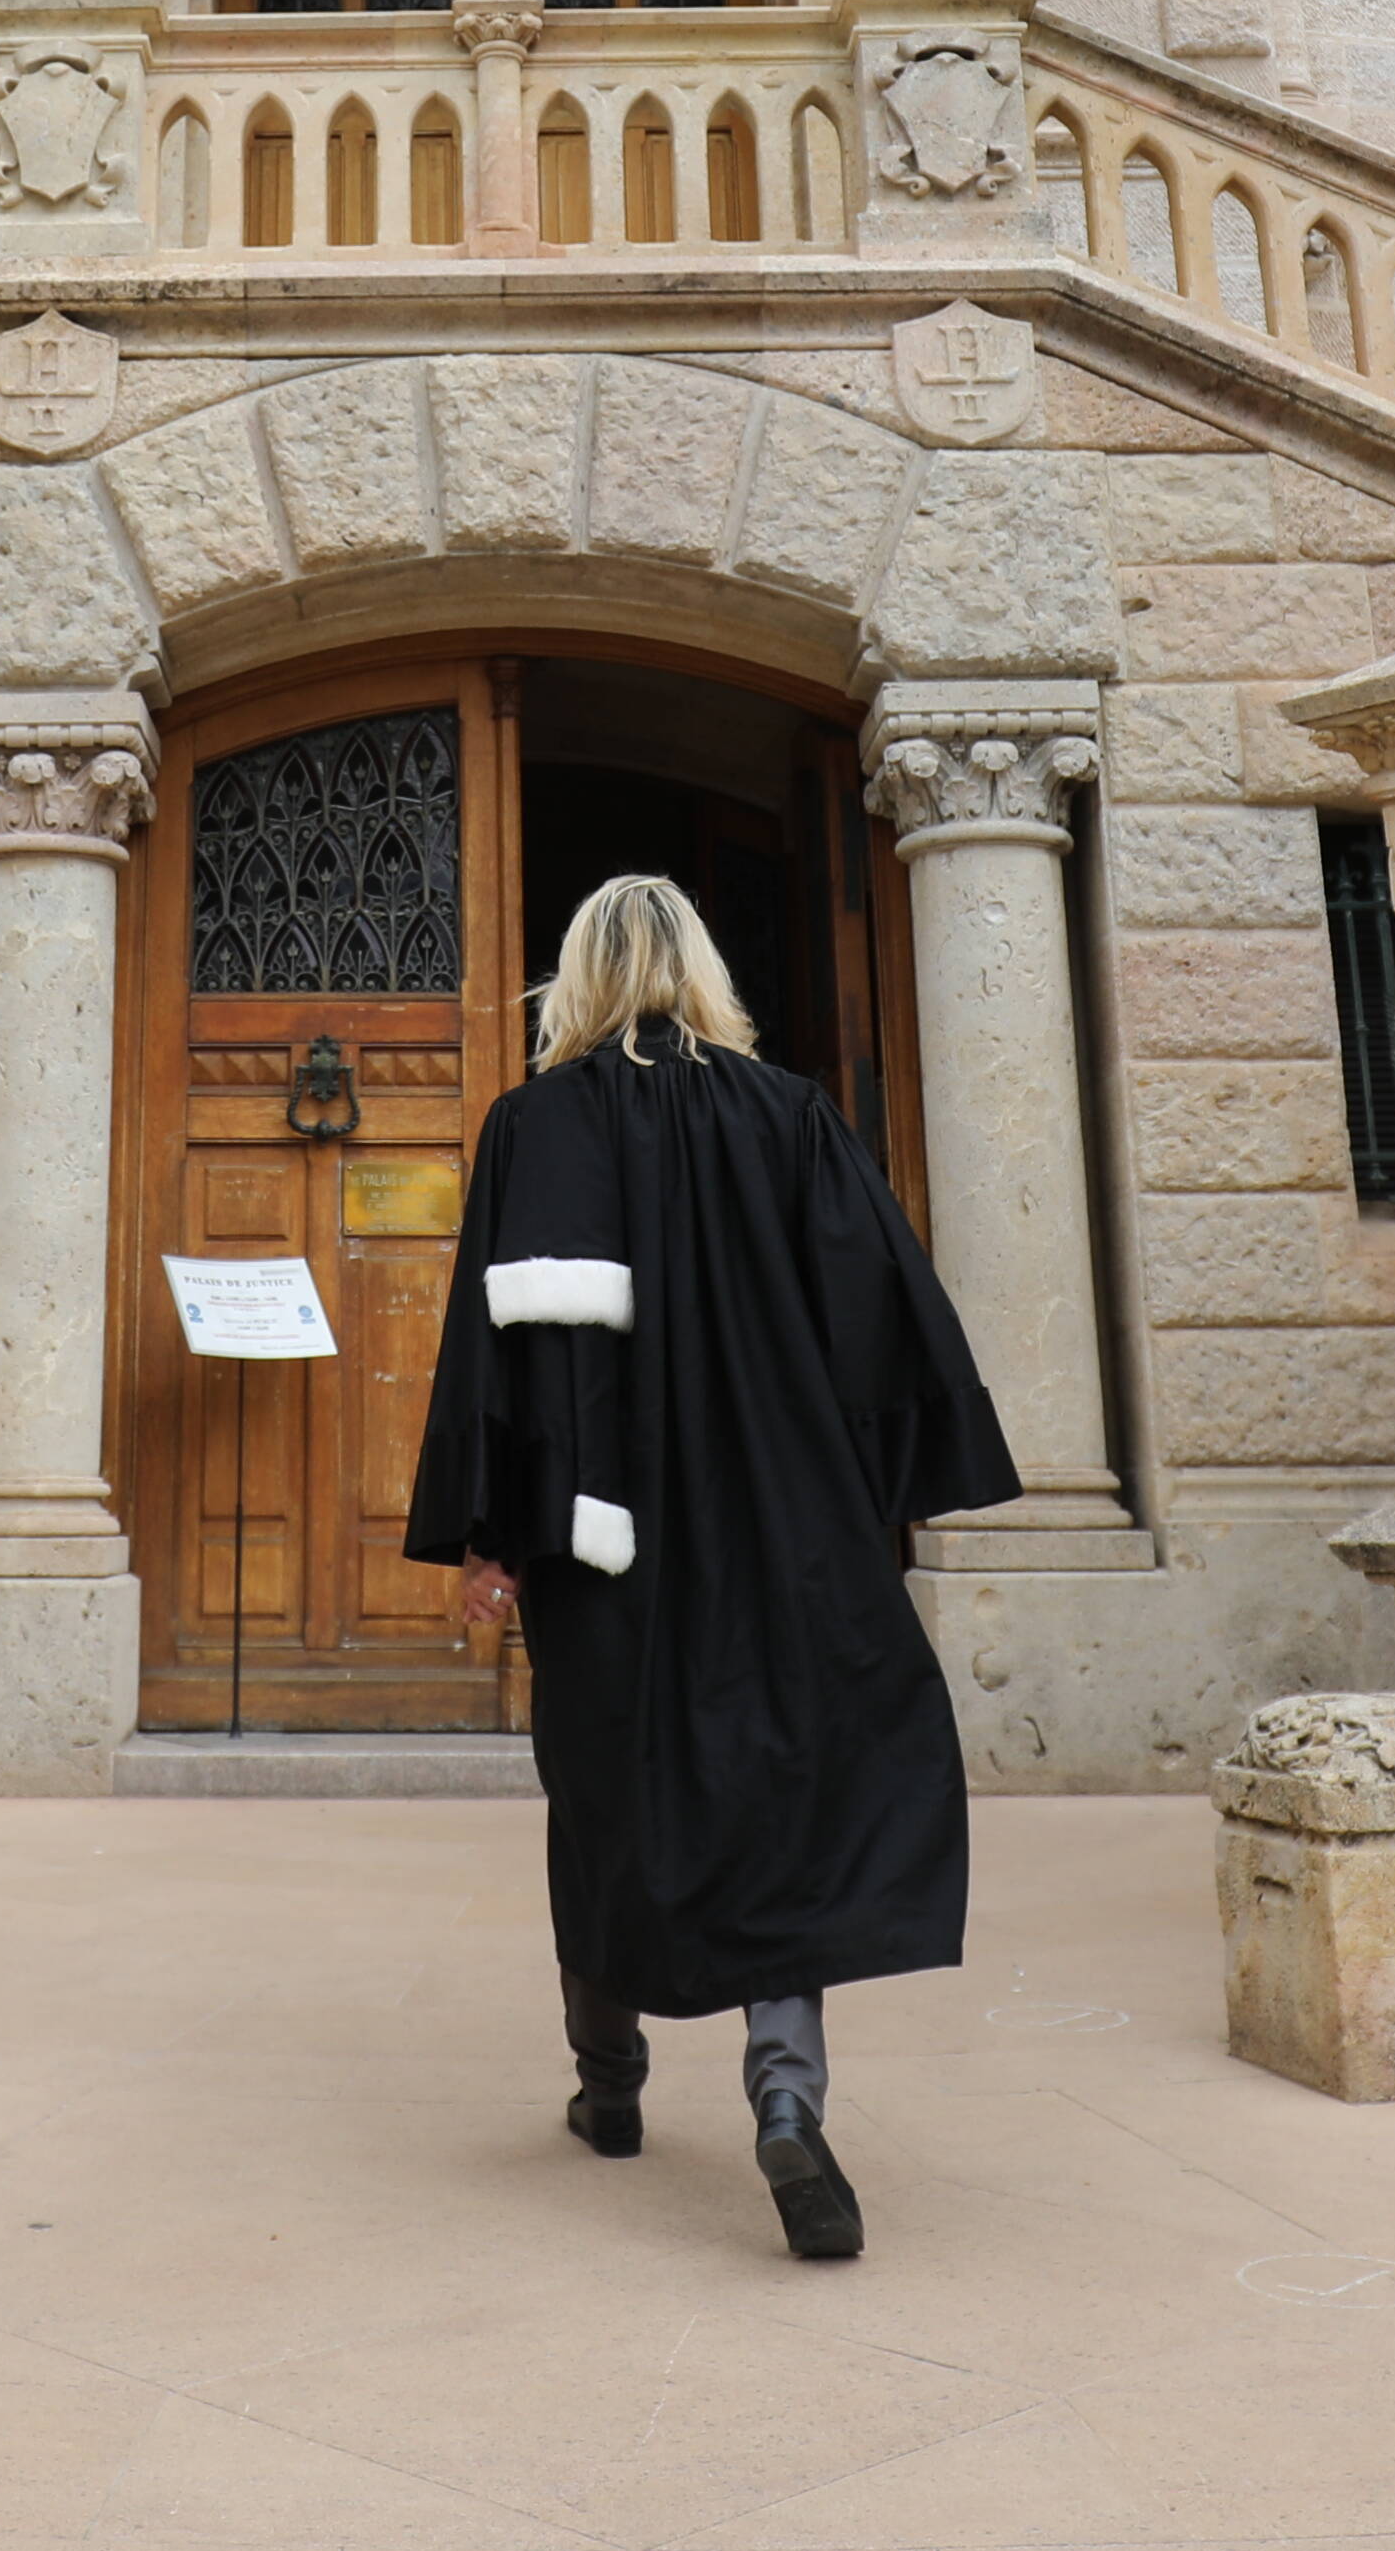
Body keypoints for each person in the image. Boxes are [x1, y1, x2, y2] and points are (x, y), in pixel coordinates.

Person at [405, 872, 1019, 2261]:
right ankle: (785, 2098)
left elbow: (490, 1366)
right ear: (700, 969)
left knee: (604, 1790)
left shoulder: (525, 1129)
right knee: (780, 1793)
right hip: (777, 1530)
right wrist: (868, 1505)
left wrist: (491, 1542)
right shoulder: (792, 1118)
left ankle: (609, 2088)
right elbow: (884, 1332)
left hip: (595, 1535)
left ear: (573, 976)